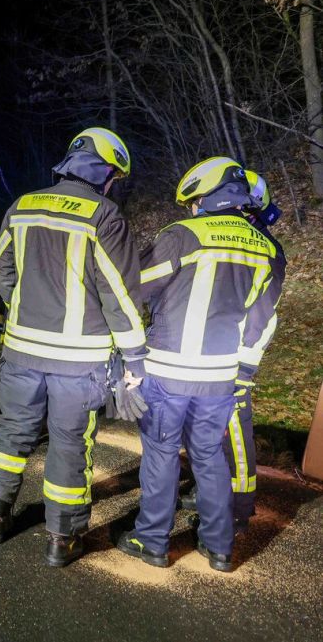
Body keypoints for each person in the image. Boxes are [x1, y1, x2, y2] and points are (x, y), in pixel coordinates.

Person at [0, 127, 147, 567]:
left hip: (20, 351)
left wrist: (24, 311)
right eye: (114, 178)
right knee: (70, 444)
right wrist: (134, 356)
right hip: (79, 361)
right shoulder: (104, 215)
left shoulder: (22, 206)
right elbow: (119, 294)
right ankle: (61, 539)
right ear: (106, 172)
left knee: (12, 432)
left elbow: (3, 271)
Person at [117, 157, 280, 573]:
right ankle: (220, 547)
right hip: (221, 377)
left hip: (169, 370)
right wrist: (245, 371)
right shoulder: (264, 246)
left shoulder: (183, 235)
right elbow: (262, 320)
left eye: (192, 201)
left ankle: (152, 541)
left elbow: (134, 287)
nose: (191, 208)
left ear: (204, 196)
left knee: (162, 452)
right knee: (209, 456)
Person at [176, 171, 286, 533]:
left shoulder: (264, 249)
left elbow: (263, 319)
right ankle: (213, 491)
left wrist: (243, 370)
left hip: (234, 360)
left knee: (235, 433)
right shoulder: (243, 239)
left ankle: (238, 509)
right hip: (210, 359)